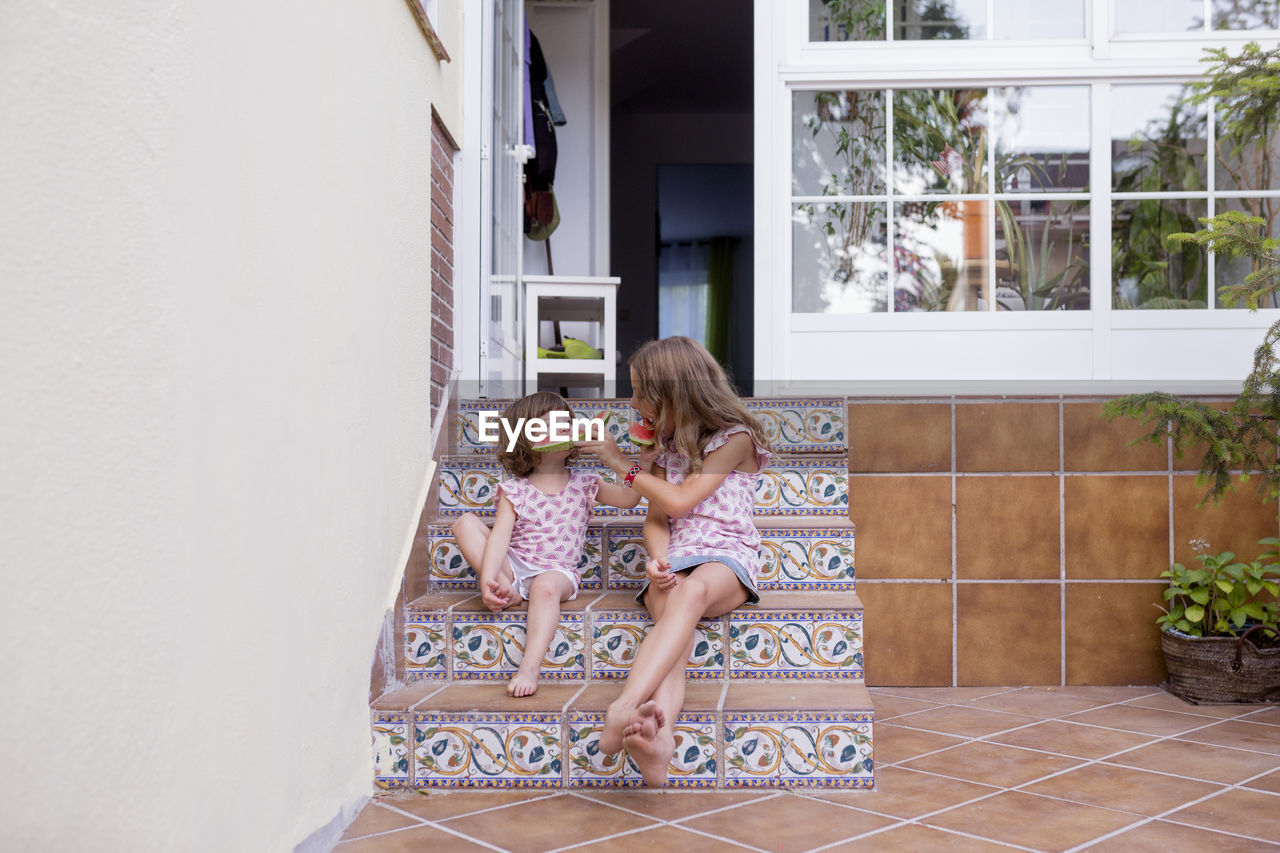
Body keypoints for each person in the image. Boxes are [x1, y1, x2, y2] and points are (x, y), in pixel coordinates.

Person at [581, 337, 772, 786]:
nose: (632, 403)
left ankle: (623, 706)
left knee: (694, 592)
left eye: (640, 391)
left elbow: (682, 502)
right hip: (677, 559)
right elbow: (657, 519)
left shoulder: (734, 440)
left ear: (674, 393)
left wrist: (620, 463)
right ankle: (658, 742)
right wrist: (658, 559)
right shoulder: (665, 451)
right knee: (676, 638)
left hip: (727, 555)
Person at [452, 392, 640, 697]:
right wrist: (488, 579)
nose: (566, 427)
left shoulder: (585, 482)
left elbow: (630, 499)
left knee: (545, 587)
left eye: (567, 422)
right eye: (551, 424)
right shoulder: (515, 490)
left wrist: (630, 464)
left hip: (557, 572)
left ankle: (529, 667)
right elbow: (499, 539)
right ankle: (504, 591)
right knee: (464, 523)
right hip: (515, 567)